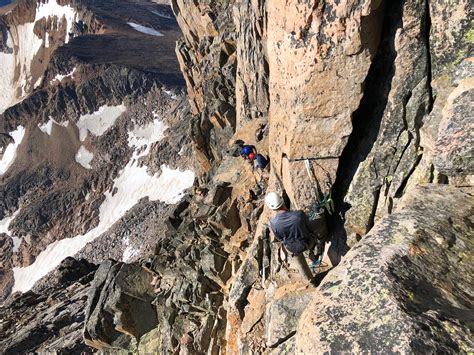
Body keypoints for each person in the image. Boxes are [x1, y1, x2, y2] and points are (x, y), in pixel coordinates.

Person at [265, 192, 319, 282]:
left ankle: (311, 281)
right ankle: (317, 250)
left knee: (299, 261)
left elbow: (280, 238)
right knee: (320, 225)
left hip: (292, 248)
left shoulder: (273, 223)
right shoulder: (299, 214)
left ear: (272, 208)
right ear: (282, 200)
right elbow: (309, 227)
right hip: (308, 243)